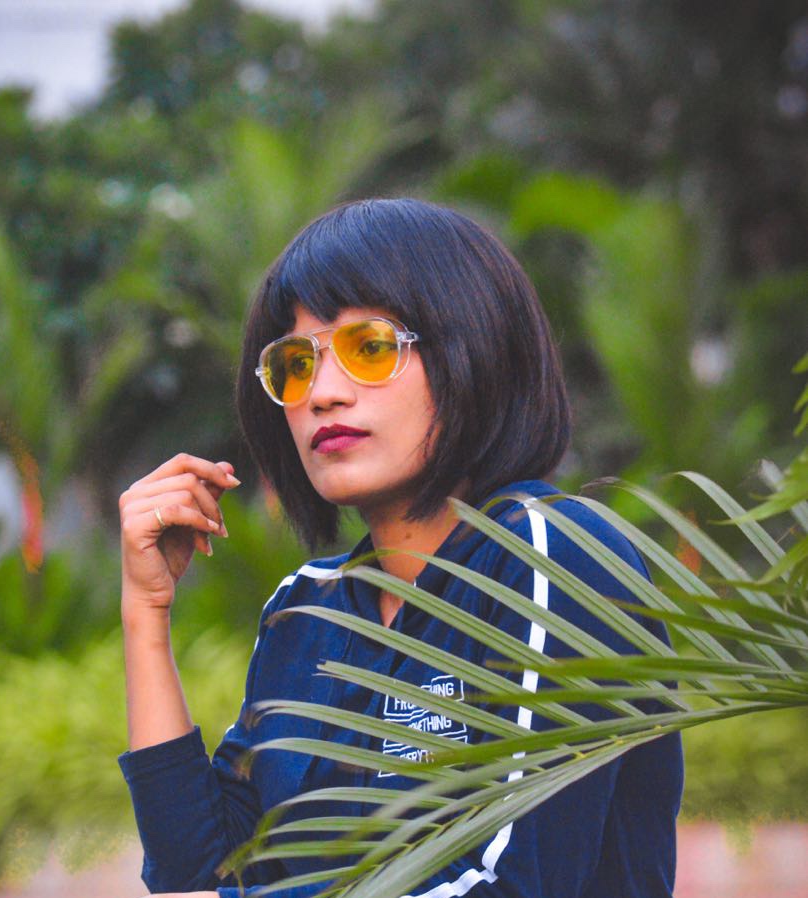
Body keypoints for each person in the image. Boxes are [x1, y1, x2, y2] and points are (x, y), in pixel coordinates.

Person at [117, 197, 684, 898]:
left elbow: (511, 884)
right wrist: (145, 613)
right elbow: (201, 873)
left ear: (471, 350)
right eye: (295, 364)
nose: (322, 393)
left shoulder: (554, 556)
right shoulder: (308, 612)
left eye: (369, 348)